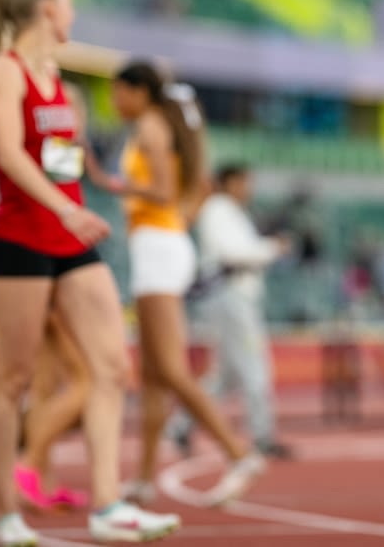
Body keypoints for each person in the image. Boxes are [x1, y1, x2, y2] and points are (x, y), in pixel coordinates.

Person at [0, 0, 179, 546]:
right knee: (11, 380)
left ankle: (107, 505)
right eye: (68, 4)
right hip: (21, 237)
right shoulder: (3, 73)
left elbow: (60, 164)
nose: (73, 14)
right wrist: (65, 209)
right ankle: (8, 514)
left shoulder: (57, 77)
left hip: (70, 240)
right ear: (45, 10)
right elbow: (11, 158)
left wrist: (85, 190)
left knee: (112, 367)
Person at [98, 61, 265, 508]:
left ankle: (238, 452)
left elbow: (165, 192)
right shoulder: (159, 125)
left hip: (158, 249)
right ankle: (147, 479)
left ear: (138, 92)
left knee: (171, 370)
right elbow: (187, 191)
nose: (113, 101)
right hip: (159, 245)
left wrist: (109, 182)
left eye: (118, 91)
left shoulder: (151, 127)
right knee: (152, 375)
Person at [167, 163, 293, 459]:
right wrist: (272, 248)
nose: (249, 188)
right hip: (230, 297)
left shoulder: (232, 213)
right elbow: (234, 254)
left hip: (233, 297)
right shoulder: (219, 210)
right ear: (231, 182)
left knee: (224, 377)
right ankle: (262, 435)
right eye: (245, 182)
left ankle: (181, 426)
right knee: (253, 367)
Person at [0, 317, 89, 509]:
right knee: (88, 383)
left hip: (46, 304)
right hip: (54, 300)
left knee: (45, 387)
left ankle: (42, 481)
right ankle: (28, 465)